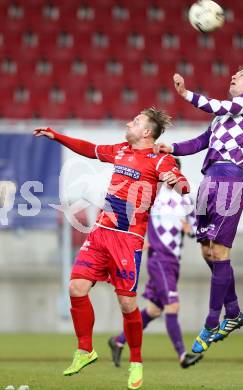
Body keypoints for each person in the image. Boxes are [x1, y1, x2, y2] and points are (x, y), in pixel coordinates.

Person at [33, 107, 190, 390]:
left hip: (128, 240)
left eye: (137, 120)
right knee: (76, 287)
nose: (130, 122)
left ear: (146, 132)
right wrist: (56, 136)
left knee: (127, 304)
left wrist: (179, 184)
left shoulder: (160, 160)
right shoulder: (119, 150)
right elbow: (90, 149)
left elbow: (179, 180)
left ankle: (136, 362)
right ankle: (85, 350)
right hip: (100, 233)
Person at [155, 63, 243, 354]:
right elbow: (202, 141)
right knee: (207, 251)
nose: (234, 76)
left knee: (219, 252)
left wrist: (186, 94)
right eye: (234, 74)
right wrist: (173, 148)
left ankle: (211, 322)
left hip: (230, 178)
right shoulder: (224, 116)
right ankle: (233, 312)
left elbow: (213, 104)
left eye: (241, 75)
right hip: (209, 180)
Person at [108, 158, 203, 369]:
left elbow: (197, 229)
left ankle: (118, 341)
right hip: (159, 258)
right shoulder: (152, 195)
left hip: (173, 261)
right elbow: (132, 217)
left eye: (173, 171)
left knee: (153, 310)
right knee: (172, 305)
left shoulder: (186, 200)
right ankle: (182, 355)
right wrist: (138, 238)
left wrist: (190, 229)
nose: (169, 174)